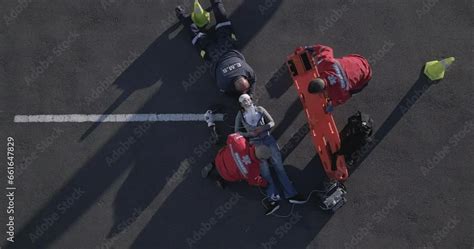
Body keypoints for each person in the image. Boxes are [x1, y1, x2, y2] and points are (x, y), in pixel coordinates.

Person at [234, 94, 305, 215]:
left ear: (251, 99)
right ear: (241, 104)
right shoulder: (240, 115)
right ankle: (273, 199)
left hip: (268, 139)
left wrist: (262, 128)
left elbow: (272, 122)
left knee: (279, 167)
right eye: (243, 101)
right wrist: (249, 134)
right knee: (265, 172)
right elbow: (237, 131)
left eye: (247, 99)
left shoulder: (260, 109)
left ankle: (291, 194)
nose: (246, 102)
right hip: (255, 145)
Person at [176, 0, 256, 95]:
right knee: (197, 36)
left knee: (223, 21)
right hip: (214, 54)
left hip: (228, 46)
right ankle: (181, 14)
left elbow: (253, 79)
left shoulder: (248, 71)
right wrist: (246, 95)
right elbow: (223, 89)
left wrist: (250, 93)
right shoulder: (224, 83)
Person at [305, 44, 372, 110]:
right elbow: (327, 49)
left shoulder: (337, 92)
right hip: (356, 60)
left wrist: (332, 104)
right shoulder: (325, 63)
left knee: (352, 91)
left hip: (365, 74)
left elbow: (345, 97)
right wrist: (313, 48)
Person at [201, 133, 270, 189]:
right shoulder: (254, 169)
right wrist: (265, 183)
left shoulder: (240, 143)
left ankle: (213, 164)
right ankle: (220, 178)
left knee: (226, 149)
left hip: (219, 159)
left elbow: (231, 136)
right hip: (227, 175)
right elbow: (254, 181)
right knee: (235, 175)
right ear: (261, 159)